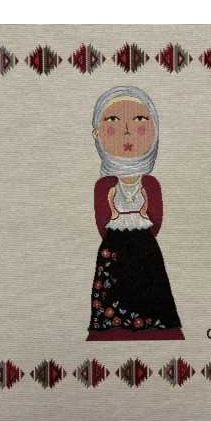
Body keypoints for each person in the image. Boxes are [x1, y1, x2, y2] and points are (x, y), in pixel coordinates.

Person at [87, 86, 184, 341]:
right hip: (113, 251)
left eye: (139, 119)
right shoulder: (104, 186)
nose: (127, 131)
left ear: (155, 130)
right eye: (113, 120)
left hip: (146, 249)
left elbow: (156, 220)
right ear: (97, 133)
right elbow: (102, 223)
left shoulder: (150, 184)